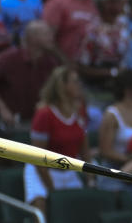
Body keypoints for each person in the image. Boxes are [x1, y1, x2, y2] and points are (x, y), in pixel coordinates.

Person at [24, 65, 88, 214]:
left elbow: (84, 148)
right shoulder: (44, 114)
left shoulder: (79, 111)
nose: (79, 86)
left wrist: (91, 178)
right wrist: (51, 188)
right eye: (75, 82)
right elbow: (38, 156)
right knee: (42, 207)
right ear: (62, 86)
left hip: (68, 170)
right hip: (42, 170)